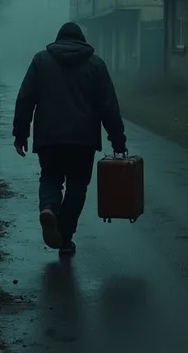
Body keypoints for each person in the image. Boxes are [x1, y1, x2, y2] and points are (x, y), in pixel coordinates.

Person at [12, 22, 127, 256]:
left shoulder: (41, 60)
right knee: (77, 185)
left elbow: (26, 98)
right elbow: (108, 106)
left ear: (58, 39)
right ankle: (64, 238)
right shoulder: (95, 64)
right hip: (83, 140)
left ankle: (48, 209)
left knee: (51, 177)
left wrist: (21, 133)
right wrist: (118, 140)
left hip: (49, 137)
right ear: (82, 41)